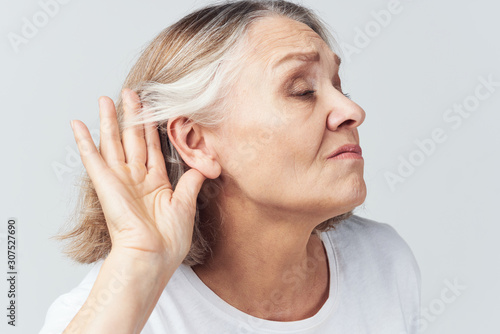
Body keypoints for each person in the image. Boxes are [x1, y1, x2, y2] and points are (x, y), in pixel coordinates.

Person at [40, 1, 421, 333]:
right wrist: (139, 264)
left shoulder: (383, 261)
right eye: (303, 90)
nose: (352, 112)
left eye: (341, 88)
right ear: (195, 141)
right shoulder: (115, 310)